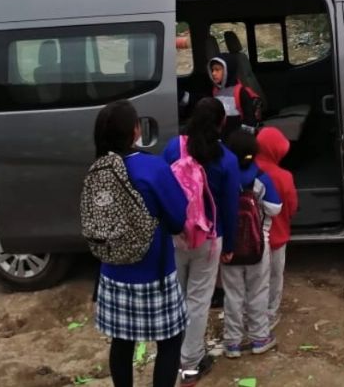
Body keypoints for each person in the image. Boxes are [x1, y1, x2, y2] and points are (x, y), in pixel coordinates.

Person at [92, 100, 188, 387]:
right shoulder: (153, 168)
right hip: (154, 272)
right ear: (135, 131)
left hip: (112, 272)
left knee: (122, 342)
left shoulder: (99, 169)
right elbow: (177, 219)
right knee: (170, 340)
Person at [162, 98, 240, 386]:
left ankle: (170, 358)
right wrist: (229, 245)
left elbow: (161, 186)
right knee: (198, 301)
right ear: (221, 123)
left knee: (176, 297)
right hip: (209, 239)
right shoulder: (227, 160)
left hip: (175, 234)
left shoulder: (174, 147)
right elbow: (230, 208)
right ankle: (191, 365)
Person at [221, 130, 282, 358]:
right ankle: (259, 338)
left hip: (229, 246)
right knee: (258, 291)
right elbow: (275, 208)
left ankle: (232, 343)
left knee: (233, 293)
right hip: (259, 246)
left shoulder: (225, 177)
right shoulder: (261, 177)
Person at [254, 126, 298, 330]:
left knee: (254, 279)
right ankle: (270, 314)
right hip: (277, 237)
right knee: (274, 277)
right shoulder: (283, 176)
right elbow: (291, 207)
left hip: (251, 239)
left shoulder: (246, 170)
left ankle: (252, 315)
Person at [208, 54, 261, 136]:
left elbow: (250, 120)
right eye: (212, 70)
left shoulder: (241, 92)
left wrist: (242, 139)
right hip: (221, 136)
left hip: (238, 138)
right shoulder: (215, 91)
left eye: (217, 70)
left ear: (227, 70)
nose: (213, 73)